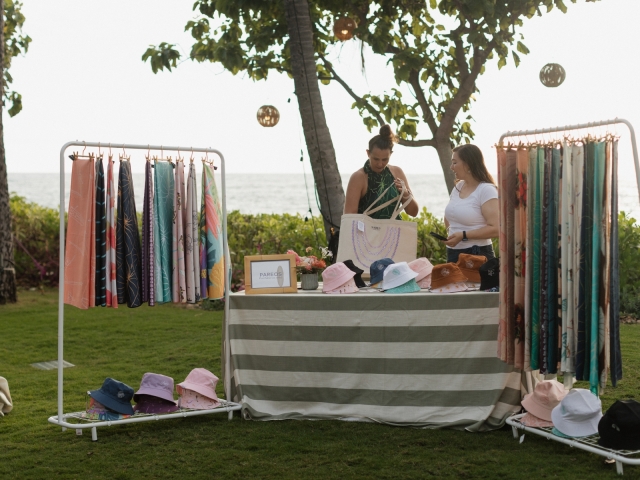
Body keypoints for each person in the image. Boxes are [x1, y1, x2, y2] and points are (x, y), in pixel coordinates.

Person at [344, 125, 418, 219]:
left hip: (394, 232)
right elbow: (349, 218)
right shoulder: (359, 177)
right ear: (368, 153)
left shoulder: (397, 173)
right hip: (367, 233)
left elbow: (413, 212)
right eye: (376, 159)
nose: (380, 164)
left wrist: (406, 194)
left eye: (385, 159)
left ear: (391, 154)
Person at [443, 144, 499, 263]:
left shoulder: (486, 190)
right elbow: (450, 214)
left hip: (477, 255)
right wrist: (451, 233)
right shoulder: (459, 186)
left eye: (454, 162)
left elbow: (496, 229)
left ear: (467, 164)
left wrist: (463, 235)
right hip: (453, 253)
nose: (451, 167)